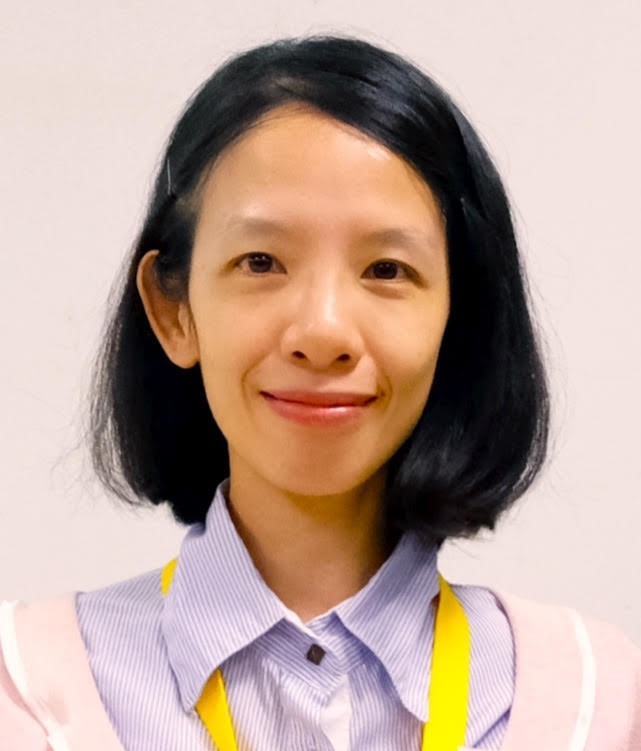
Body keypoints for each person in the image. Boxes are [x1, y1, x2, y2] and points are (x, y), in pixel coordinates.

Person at [0, 34, 639, 751]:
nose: (323, 330)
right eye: (261, 261)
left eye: (386, 270)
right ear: (175, 311)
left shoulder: (595, 701)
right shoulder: (27, 690)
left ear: (457, 320)